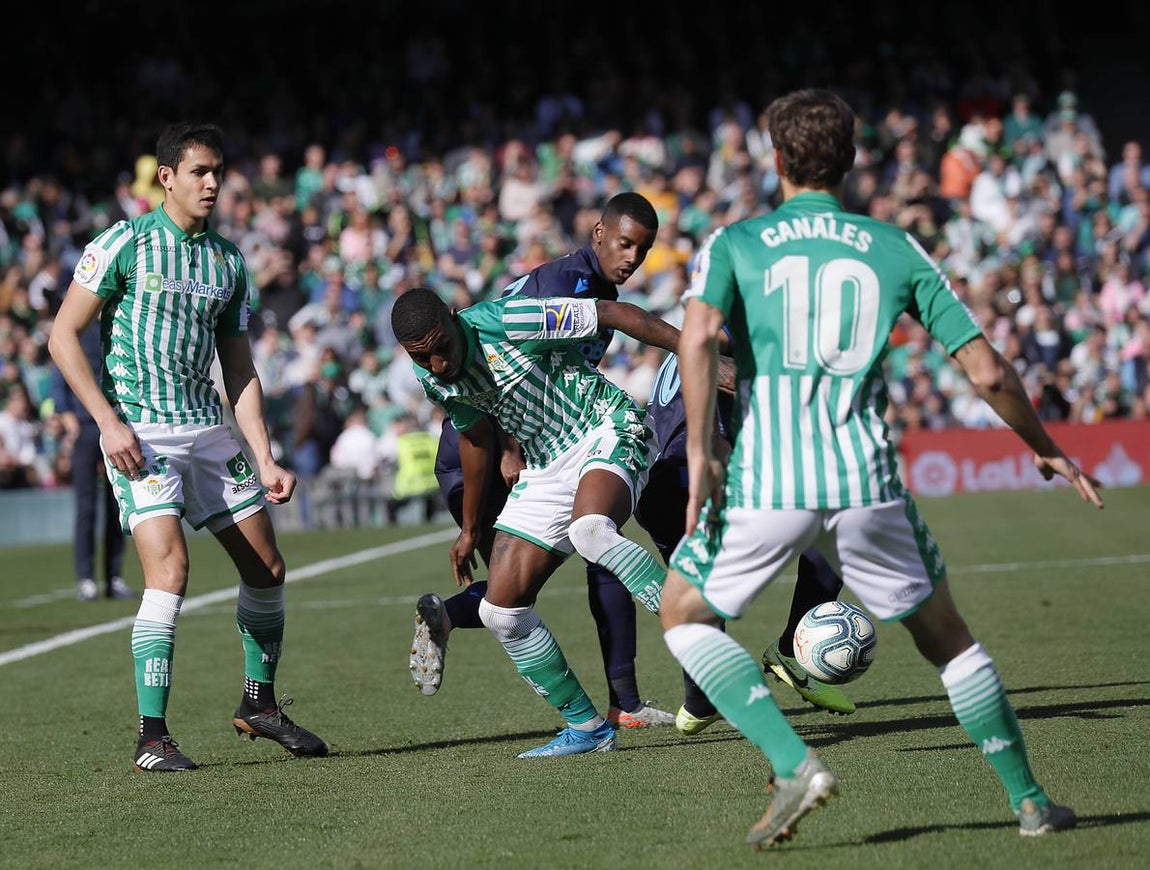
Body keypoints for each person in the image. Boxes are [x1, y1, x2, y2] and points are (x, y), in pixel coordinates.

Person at [658, 89, 1104, 848]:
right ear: (852, 159)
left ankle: (792, 760)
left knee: (683, 613)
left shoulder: (736, 243)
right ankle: (1029, 802)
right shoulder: (893, 246)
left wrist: (700, 454)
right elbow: (989, 371)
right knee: (950, 642)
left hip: (771, 480)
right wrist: (1043, 442)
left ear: (776, 160)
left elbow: (697, 338)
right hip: (867, 484)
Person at [47, 122, 327, 773]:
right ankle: (152, 736)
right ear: (166, 176)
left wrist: (263, 453)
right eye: (198, 171)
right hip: (143, 436)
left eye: (217, 171)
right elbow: (64, 335)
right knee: (170, 572)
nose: (211, 182)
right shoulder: (124, 243)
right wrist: (106, 423)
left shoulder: (227, 260)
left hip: (208, 432)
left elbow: (240, 368)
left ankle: (259, 703)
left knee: (268, 570)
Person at [391, 274, 735, 757]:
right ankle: (588, 728)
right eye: (420, 357)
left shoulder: (512, 321)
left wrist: (697, 356)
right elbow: (474, 438)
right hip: (547, 462)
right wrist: (470, 530)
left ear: (453, 317)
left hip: (605, 428)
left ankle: (695, 630)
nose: (437, 364)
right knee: (500, 611)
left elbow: (612, 314)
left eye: (440, 348)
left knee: (591, 531)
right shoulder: (433, 376)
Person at [409, 192, 676, 728]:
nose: (633, 257)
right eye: (625, 243)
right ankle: (605, 708)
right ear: (597, 234)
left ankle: (625, 696)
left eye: (642, 249)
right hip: (495, 452)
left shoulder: (588, 288)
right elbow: (482, 413)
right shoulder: (562, 286)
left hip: (545, 441)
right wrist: (509, 453)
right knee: (514, 591)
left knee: (593, 537)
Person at [635, 345, 855, 733]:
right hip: (691, 475)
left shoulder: (704, 326)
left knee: (701, 589)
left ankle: (702, 699)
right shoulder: (735, 325)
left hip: (656, 483)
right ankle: (789, 651)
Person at [49, 320, 133, 601]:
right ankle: (86, 579)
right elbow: (60, 372)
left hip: (119, 428)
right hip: (86, 428)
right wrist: (67, 415)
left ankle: (113, 577)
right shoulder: (79, 327)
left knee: (118, 506)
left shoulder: (120, 321)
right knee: (86, 507)